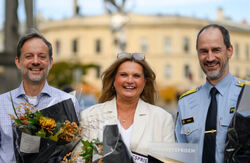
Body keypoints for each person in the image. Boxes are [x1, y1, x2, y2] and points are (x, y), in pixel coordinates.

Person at [0, 31, 80, 163]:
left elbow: (74, 151)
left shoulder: (68, 102)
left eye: (42, 56)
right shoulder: (1, 104)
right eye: (29, 56)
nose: (36, 61)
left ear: (50, 62)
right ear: (18, 62)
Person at [78, 52, 175, 156]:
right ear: (113, 80)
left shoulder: (162, 119)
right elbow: (79, 159)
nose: (129, 80)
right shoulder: (89, 116)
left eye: (136, 76)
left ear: (145, 82)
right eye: (123, 75)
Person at [175, 24, 246, 163]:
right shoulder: (185, 103)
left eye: (216, 50)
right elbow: (180, 156)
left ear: (229, 51)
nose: (210, 58)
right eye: (203, 51)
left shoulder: (247, 95)